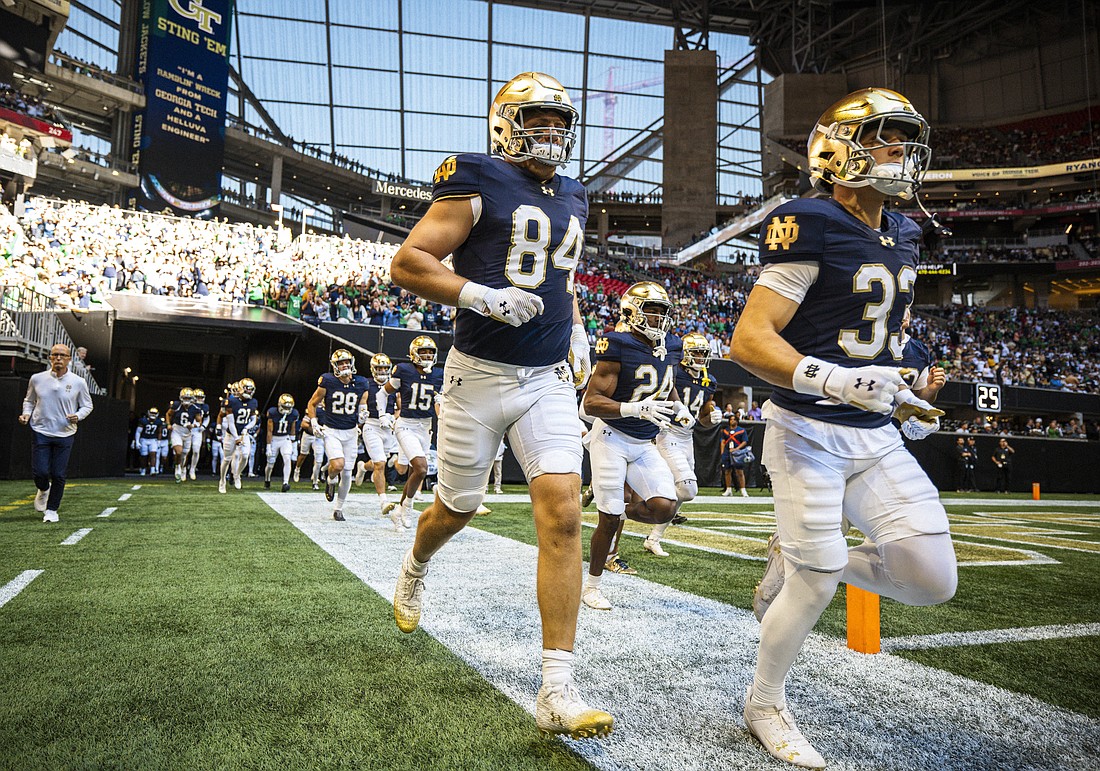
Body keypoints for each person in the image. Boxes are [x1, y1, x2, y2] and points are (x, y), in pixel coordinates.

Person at [729, 87, 956, 769]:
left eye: (906, 140)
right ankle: (764, 702)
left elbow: (886, 336)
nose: (903, 153)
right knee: (818, 578)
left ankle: (797, 555)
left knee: (929, 575)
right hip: (807, 429)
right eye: (887, 138)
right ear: (839, 149)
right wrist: (830, 378)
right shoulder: (811, 220)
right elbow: (749, 338)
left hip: (875, 428)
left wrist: (912, 378)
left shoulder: (905, 232)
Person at [387, 72, 613, 739]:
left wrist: (575, 332)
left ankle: (557, 686)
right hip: (477, 377)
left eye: (559, 123)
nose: (552, 133)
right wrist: (479, 296)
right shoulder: (477, 176)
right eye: (537, 120)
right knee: (453, 509)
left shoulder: (575, 192)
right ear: (505, 121)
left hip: (544, 376)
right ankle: (414, 565)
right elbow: (409, 261)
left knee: (565, 509)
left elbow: (560, 280)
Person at [580, 281, 686, 609]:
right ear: (631, 312)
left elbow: (665, 385)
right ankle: (592, 587)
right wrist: (634, 408)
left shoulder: (673, 344)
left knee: (665, 507)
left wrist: (678, 405)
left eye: (661, 313)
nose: (657, 319)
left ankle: (613, 508)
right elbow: (591, 404)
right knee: (608, 521)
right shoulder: (617, 343)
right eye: (650, 311)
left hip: (644, 440)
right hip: (611, 436)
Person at [644, 331, 723, 557]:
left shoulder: (710, 380)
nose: (700, 358)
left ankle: (654, 538)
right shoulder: (675, 372)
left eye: (703, 353)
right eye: (696, 353)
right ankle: (655, 509)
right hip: (666, 431)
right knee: (688, 489)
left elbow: (703, 419)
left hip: (687, 438)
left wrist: (712, 418)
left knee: (681, 488)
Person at [18, 344, 94, 523]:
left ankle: (52, 510)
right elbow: (29, 400)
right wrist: (26, 414)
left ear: (69, 359)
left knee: (59, 474)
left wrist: (78, 415)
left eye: (63, 355)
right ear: (50, 358)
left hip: (65, 433)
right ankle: (43, 489)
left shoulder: (78, 382)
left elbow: (87, 405)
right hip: (40, 430)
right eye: (55, 355)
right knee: (40, 472)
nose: (58, 358)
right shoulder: (37, 379)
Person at [380, 337, 443, 530]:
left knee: (416, 471)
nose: (428, 355)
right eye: (424, 351)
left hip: (425, 427)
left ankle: (399, 511)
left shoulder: (439, 375)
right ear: (414, 353)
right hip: (406, 425)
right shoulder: (404, 370)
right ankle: (406, 508)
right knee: (421, 468)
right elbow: (382, 393)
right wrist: (384, 414)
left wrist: (442, 417)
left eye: (431, 352)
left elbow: (439, 401)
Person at [306, 349, 370, 521]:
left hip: (350, 432)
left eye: (346, 362)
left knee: (348, 472)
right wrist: (313, 422)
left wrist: (363, 416)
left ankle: (338, 508)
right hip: (332, 430)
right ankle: (331, 478)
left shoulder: (362, 383)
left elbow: (363, 405)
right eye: (340, 363)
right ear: (334, 366)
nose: (344, 365)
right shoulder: (328, 381)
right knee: (338, 465)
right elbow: (312, 404)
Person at [356, 353, 399, 508]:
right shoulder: (367, 384)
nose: (381, 371)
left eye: (384, 368)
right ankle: (383, 500)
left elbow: (400, 407)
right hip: (372, 425)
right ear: (373, 369)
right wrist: (362, 414)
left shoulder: (394, 385)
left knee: (379, 463)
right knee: (380, 464)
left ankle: (362, 467)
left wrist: (393, 417)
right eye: (379, 368)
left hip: (388, 428)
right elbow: (362, 404)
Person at [218, 378, 258, 493]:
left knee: (245, 455)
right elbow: (230, 422)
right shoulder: (231, 401)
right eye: (247, 389)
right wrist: (236, 437)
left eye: (251, 389)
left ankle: (237, 475)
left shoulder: (253, 402)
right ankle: (222, 481)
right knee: (227, 459)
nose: (249, 392)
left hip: (243, 434)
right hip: (231, 435)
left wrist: (246, 429)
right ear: (241, 389)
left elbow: (253, 420)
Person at [165, 387, 202, 483]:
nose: (186, 401)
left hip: (187, 432)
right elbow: (168, 414)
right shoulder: (176, 405)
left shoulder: (195, 408)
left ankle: (183, 469)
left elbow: (199, 421)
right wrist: (168, 424)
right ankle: (177, 466)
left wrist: (193, 425)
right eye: (185, 398)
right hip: (177, 430)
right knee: (179, 452)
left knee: (185, 454)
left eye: (188, 398)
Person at [264, 393, 300, 492]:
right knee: (270, 464)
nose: (286, 410)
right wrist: (268, 446)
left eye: (288, 408)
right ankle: (267, 479)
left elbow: (293, 429)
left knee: (287, 458)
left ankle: (285, 482)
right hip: (274, 438)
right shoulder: (273, 412)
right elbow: (269, 431)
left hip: (285, 439)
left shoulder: (294, 414)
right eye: (284, 407)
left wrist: (294, 446)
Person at [719, 415, 751, 497]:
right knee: (727, 471)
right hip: (727, 452)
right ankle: (728, 489)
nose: (732, 421)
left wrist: (737, 448)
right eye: (731, 419)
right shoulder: (725, 431)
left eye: (734, 419)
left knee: (739, 471)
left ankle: (743, 490)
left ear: (737, 421)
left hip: (738, 453)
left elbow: (744, 441)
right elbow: (722, 441)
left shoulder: (741, 430)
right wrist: (722, 452)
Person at [186, 388, 209, 479]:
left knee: (196, 450)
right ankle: (183, 468)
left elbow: (207, 417)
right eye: (198, 397)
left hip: (197, 430)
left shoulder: (205, 407)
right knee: (186, 451)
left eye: (201, 397)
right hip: (187, 429)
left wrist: (203, 426)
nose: (200, 399)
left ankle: (192, 469)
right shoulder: (188, 406)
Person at [134, 407, 164, 476]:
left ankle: (152, 470)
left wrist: (159, 441)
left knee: (153, 454)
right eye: (152, 413)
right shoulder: (143, 420)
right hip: (144, 439)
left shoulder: (158, 421)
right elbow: (138, 432)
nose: (153, 415)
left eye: (154, 413)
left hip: (153, 439)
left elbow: (159, 432)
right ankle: (143, 469)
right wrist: (137, 441)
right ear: (148, 413)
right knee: (144, 456)